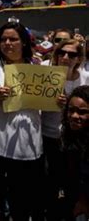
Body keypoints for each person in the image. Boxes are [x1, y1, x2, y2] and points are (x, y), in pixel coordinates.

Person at [0, 21, 45, 220]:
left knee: (22, 208)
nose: (7, 43)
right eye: (3, 39)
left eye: (13, 39)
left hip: (27, 152)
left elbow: (46, 103)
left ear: (24, 43)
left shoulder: (38, 68)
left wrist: (58, 100)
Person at [41, 39, 88, 220]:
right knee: (48, 186)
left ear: (79, 58)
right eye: (61, 53)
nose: (66, 57)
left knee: (73, 187)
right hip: (48, 137)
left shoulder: (85, 78)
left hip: (75, 142)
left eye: (72, 54)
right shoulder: (45, 73)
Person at [61, 85, 89, 219]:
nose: (74, 116)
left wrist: (83, 202)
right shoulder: (68, 135)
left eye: (82, 112)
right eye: (70, 110)